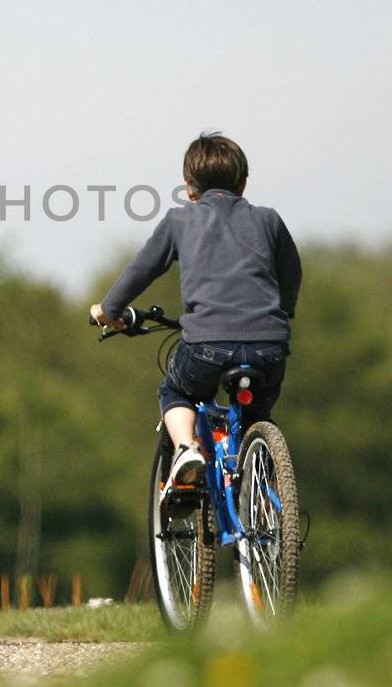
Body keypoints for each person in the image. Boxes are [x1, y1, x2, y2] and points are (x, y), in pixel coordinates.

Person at [90, 133, 301, 494]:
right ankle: (263, 494)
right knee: (256, 416)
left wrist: (108, 309)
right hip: (269, 346)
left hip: (207, 346)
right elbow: (291, 272)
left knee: (176, 391)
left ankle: (187, 448)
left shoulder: (180, 220)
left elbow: (142, 269)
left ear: (189, 188)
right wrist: (282, 312)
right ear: (243, 183)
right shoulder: (269, 220)